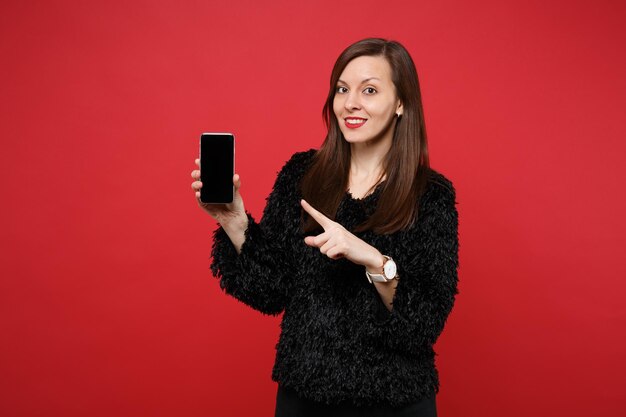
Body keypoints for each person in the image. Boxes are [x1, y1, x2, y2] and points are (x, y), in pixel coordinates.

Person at [190, 38, 459, 417]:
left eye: (369, 90)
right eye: (342, 89)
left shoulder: (430, 195)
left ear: (401, 103)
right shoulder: (303, 175)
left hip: (395, 402)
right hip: (305, 398)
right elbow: (270, 291)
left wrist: (372, 259)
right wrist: (234, 220)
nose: (351, 102)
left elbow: (424, 322)